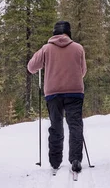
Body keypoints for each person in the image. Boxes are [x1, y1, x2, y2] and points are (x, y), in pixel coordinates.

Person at [27, 21, 87, 173]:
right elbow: (83, 71)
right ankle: (75, 159)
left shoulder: (46, 49)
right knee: (75, 125)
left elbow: (31, 67)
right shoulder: (78, 48)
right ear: (68, 32)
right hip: (74, 91)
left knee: (56, 125)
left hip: (53, 92)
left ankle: (55, 161)